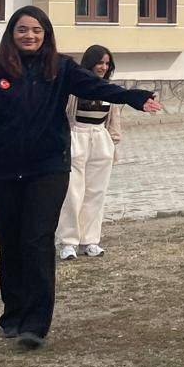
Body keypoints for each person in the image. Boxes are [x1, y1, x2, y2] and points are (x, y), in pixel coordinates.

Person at [0, 6, 162, 349]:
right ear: (12, 33)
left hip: (48, 168)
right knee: (10, 241)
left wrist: (133, 97)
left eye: (37, 30)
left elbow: (97, 87)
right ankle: (13, 314)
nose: (30, 36)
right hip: (2, 172)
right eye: (23, 30)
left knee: (37, 240)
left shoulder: (61, 68)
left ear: (46, 34)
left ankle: (35, 324)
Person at [57, 44, 124, 261]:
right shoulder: (75, 88)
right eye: (100, 62)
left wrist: (112, 144)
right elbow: (65, 114)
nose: (103, 67)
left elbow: (114, 122)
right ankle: (68, 242)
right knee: (73, 193)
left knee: (96, 192)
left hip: (100, 139)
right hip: (77, 137)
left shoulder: (108, 89)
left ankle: (90, 240)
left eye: (107, 63)